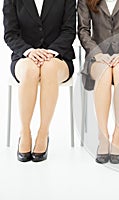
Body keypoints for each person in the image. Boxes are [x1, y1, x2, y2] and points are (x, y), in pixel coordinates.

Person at [3, 0, 76, 162]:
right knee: (30, 70)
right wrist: (29, 52)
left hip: (58, 57)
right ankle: (25, 132)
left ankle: (43, 133)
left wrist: (51, 52)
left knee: (49, 68)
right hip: (24, 57)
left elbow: (69, 31)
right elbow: (10, 34)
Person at [78, 0, 119, 164]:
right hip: (98, 58)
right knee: (105, 72)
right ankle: (103, 135)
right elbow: (83, 30)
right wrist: (97, 53)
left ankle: (118, 135)